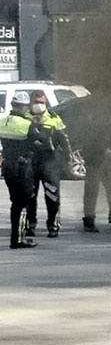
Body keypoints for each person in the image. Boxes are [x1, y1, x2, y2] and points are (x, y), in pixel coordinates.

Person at [81, 89, 111, 232]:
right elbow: (92, 135)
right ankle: (89, 220)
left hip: (108, 157)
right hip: (95, 157)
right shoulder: (98, 114)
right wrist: (103, 148)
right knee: (92, 189)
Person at [0, 91, 39, 249]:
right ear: (24, 107)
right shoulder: (27, 124)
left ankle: (15, 237)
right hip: (22, 167)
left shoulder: (3, 122)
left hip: (8, 167)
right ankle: (18, 238)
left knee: (15, 203)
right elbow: (39, 142)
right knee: (23, 202)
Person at [27, 99, 70, 238]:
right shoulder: (25, 119)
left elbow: (64, 140)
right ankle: (30, 226)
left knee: (52, 196)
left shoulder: (54, 119)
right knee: (29, 196)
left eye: (41, 101)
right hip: (31, 163)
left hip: (50, 163)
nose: (38, 104)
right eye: (36, 101)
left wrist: (68, 158)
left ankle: (53, 226)